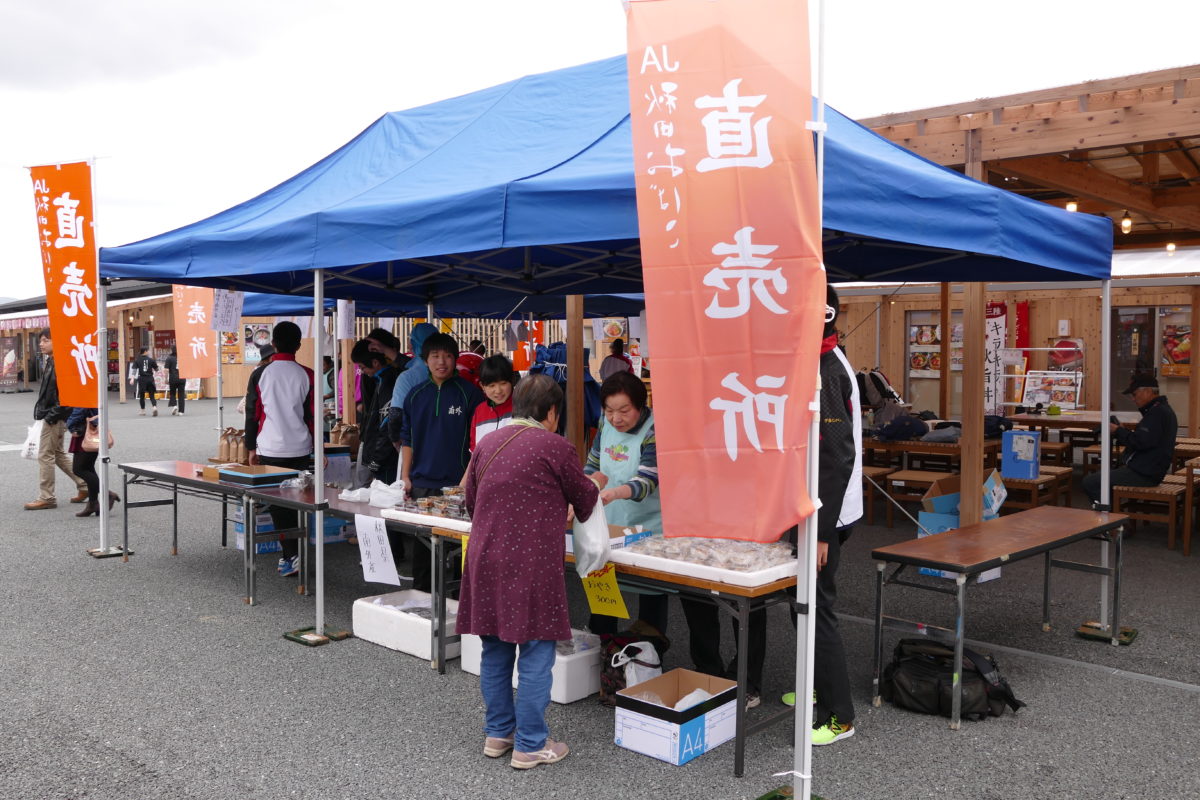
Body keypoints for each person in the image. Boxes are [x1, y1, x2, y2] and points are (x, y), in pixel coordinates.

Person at [458, 374, 604, 770]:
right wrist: (591, 483)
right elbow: (586, 498)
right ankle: (531, 743)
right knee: (537, 652)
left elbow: (470, 501)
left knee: (496, 649)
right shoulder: (555, 446)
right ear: (552, 412)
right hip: (532, 563)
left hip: (485, 556)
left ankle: (498, 733)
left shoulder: (487, 443)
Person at [782, 283, 862, 747]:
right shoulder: (820, 358)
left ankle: (840, 715)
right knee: (803, 607)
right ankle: (817, 690)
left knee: (819, 609)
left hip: (825, 513)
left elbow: (836, 458)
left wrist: (822, 532)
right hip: (813, 508)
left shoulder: (828, 368)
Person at [584, 371, 668, 639]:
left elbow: (646, 481)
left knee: (651, 597)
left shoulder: (655, 428)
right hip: (608, 524)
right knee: (603, 594)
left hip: (649, 528)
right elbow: (593, 464)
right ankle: (602, 651)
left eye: (624, 410)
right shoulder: (605, 425)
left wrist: (611, 493)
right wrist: (585, 487)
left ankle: (648, 658)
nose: (615, 418)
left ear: (640, 406)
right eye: (609, 410)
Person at [399, 332, 483, 591]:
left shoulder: (470, 394)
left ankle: (460, 603)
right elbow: (407, 439)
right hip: (422, 482)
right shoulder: (415, 394)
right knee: (423, 546)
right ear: (425, 360)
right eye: (435, 356)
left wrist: (468, 481)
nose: (442, 362)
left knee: (459, 546)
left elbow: (478, 441)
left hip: (457, 482)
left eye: (447, 356)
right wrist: (405, 476)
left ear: (456, 359)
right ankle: (421, 598)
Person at [244, 321, 314, 578]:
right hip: (301, 447)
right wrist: (321, 450)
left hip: (271, 447)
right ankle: (295, 552)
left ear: (272, 343)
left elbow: (253, 413)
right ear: (298, 345)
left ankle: (291, 555)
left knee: (278, 503)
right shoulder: (307, 374)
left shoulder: (261, 374)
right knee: (299, 499)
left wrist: (250, 447)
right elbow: (313, 416)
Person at [1083, 373, 1178, 506]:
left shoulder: (1157, 413)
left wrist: (1117, 431)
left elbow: (1141, 442)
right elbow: (1145, 439)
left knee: (1090, 482)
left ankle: (1111, 519)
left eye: (1134, 394)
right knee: (1103, 482)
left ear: (1148, 391)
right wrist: (1122, 431)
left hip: (1144, 473)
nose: (1133, 399)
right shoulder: (1160, 410)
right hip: (1148, 469)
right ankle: (1113, 514)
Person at [25, 329, 87, 510]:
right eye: (41, 341)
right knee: (58, 454)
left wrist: (51, 416)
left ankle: (47, 497)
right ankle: (85, 485)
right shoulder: (52, 361)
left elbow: (68, 396)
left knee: (45, 455)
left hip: (55, 416)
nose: (41, 344)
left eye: (45, 340)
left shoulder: (62, 362)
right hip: (52, 414)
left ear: (56, 341)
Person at [351, 339, 400, 483]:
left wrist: (375, 463)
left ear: (375, 363)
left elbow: (387, 428)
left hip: (385, 460)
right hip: (380, 455)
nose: (363, 372)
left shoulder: (388, 383)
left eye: (362, 368)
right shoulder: (381, 380)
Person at [386, 322, 439, 448]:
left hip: (414, 443)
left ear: (415, 344)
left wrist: (395, 440)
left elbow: (395, 414)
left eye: (411, 339)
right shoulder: (448, 373)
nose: (409, 344)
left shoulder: (407, 377)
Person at [66, 407, 118, 517]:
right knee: (88, 468)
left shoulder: (84, 390)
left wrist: (70, 424)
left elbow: (80, 407)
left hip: (85, 429)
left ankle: (107, 494)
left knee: (79, 469)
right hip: (90, 426)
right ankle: (93, 503)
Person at [470, 354, 516, 450]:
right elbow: (474, 448)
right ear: (482, 386)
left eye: (503, 383)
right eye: (492, 386)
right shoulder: (479, 411)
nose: (498, 390)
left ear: (511, 381)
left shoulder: (522, 406)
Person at [133, 347, 159, 416]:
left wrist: (132, 378)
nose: (149, 352)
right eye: (148, 351)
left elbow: (134, 370)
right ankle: (154, 407)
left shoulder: (137, 360)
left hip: (142, 379)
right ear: (145, 351)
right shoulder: (151, 360)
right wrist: (155, 364)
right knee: (151, 395)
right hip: (150, 378)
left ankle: (143, 410)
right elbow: (156, 369)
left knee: (142, 396)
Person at [164, 348, 186, 416]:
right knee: (181, 394)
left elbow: (166, 370)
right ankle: (181, 411)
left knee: (172, 393)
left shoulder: (169, 358)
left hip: (173, 378)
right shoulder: (183, 358)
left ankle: (174, 405)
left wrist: (166, 378)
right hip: (182, 378)